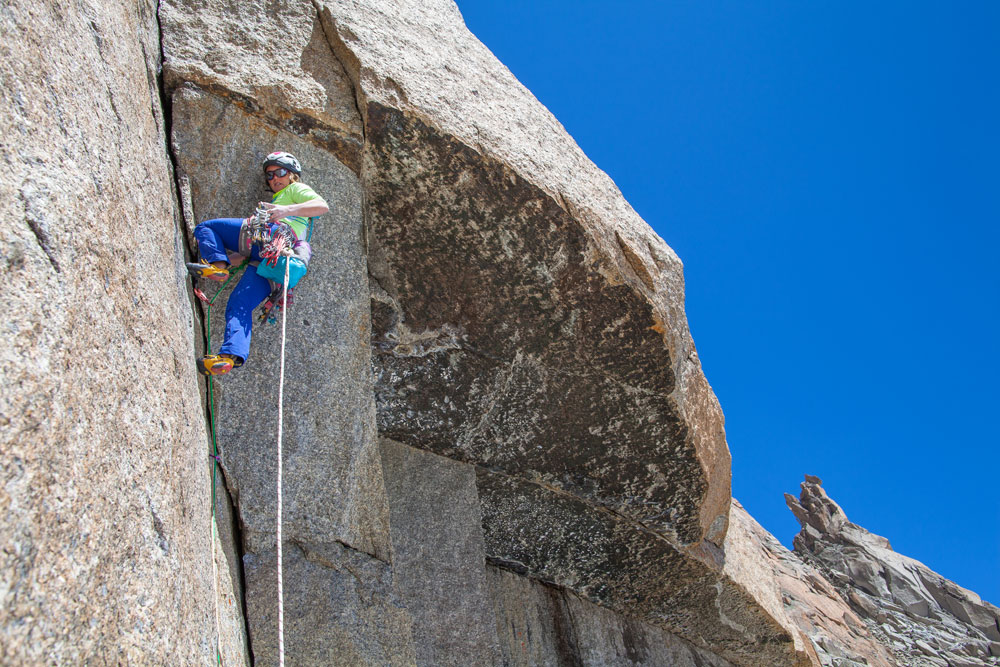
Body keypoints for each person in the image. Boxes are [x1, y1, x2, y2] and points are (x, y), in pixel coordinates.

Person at [188, 151, 329, 375]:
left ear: (292, 174)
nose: (274, 178)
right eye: (270, 175)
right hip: (270, 261)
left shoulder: (294, 190)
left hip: (273, 238)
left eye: (280, 172)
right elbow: (244, 255)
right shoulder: (279, 198)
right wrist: (220, 267)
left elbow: (322, 206)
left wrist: (284, 211)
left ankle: (218, 266)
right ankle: (227, 358)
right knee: (239, 305)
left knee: (207, 228)